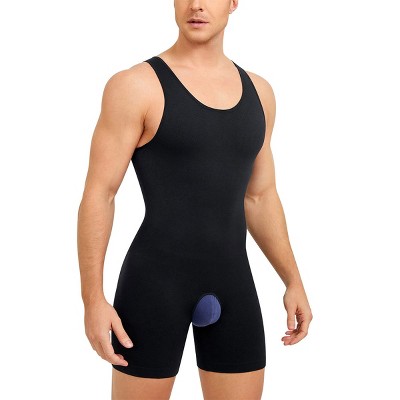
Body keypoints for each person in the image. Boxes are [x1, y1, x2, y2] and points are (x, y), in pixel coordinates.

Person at [77, 0, 313, 399]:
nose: (197, 5)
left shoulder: (260, 93)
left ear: (233, 2)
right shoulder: (136, 86)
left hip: (234, 284)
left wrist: (293, 280)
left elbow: (259, 196)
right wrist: (92, 300)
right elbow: (100, 193)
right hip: (154, 285)